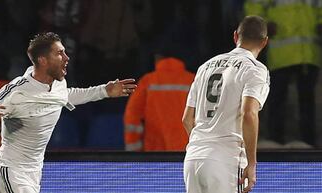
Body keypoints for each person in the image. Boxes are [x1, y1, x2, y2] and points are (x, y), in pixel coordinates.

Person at [0, 32, 136, 193]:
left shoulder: (58, 85)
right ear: (43, 60)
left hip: (33, 173)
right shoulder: (16, 94)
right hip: (10, 171)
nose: (67, 58)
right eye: (60, 53)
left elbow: (67, 95)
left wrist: (105, 91)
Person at [182, 16, 270, 193]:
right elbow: (249, 114)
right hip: (226, 161)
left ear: (236, 36)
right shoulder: (255, 69)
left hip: (193, 159)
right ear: (264, 42)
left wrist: (205, 147)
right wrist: (252, 163)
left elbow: (186, 119)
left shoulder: (205, 66)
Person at [245, 0, 321, 148]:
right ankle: (275, 142)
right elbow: (254, 6)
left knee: (306, 102)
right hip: (282, 52)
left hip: (308, 52)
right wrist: (263, 26)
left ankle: (308, 144)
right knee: (278, 100)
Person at [124, 55, 195, 151]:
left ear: (157, 59)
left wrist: (134, 150)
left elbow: (132, 116)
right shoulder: (192, 80)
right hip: (187, 152)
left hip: (155, 153)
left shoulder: (148, 81)